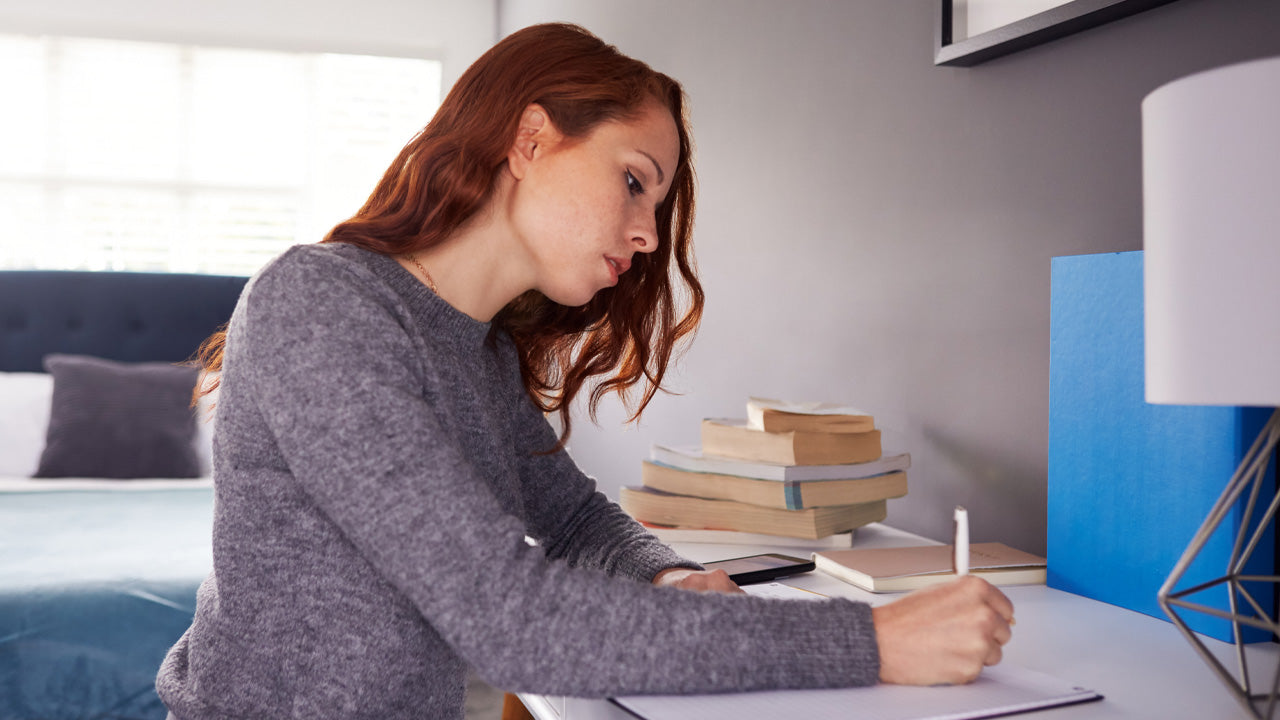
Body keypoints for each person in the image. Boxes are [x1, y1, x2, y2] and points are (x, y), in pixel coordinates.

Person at [156, 22, 1014, 719]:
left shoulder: (478, 350)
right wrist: (875, 643)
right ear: (530, 139)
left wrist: (664, 574)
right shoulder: (322, 304)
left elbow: (570, 522)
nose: (647, 235)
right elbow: (508, 620)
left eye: (658, 203)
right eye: (635, 181)